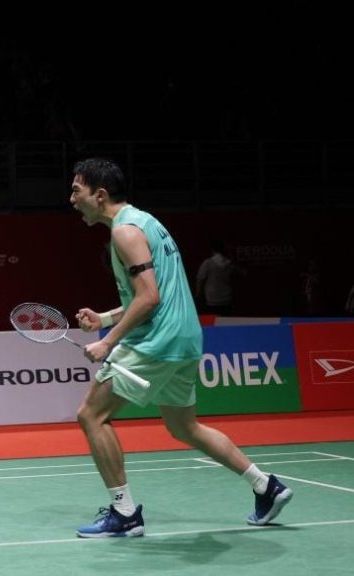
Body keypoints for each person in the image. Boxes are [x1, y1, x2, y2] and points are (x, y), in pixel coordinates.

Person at [68, 158, 291, 538]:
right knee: (184, 426)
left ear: (99, 194)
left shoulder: (125, 233)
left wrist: (108, 341)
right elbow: (155, 295)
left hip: (157, 341)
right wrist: (104, 318)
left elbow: (150, 298)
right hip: (184, 339)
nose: (72, 199)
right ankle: (264, 485)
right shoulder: (146, 222)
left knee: (91, 415)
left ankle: (124, 513)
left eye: (77, 191)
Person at [195, 239, 239, 316]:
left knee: (213, 322)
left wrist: (198, 295)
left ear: (212, 250)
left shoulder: (207, 263)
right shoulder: (230, 264)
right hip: (227, 299)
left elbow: (200, 279)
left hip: (212, 300)